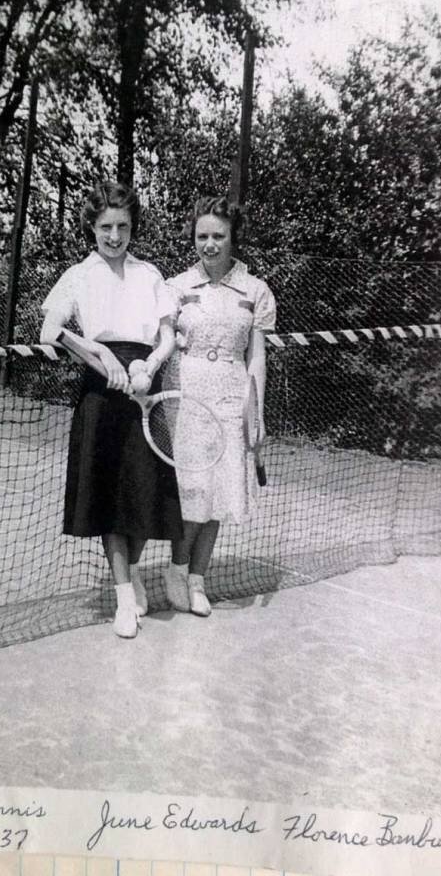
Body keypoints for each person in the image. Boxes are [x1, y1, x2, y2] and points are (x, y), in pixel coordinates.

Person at [40, 180, 182, 639]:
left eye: (122, 226)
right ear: (92, 228)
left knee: (143, 494)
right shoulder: (78, 275)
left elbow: (167, 337)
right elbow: (50, 331)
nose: (114, 236)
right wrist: (100, 356)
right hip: (101, 394)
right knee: (108, 498)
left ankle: (134, 570)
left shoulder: (150, 274)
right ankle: (124, 596)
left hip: (145, 387)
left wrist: (148, 365)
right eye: (105, 227)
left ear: (133, 226)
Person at [164, 195, 276, 617]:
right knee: (193, 489)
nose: (209, 244)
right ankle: (176, 570)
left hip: (232, 395)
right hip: (187, 393)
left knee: (219, 493)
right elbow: (161, 341)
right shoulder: (176, 288)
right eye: (202, 236)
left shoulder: (255, 290)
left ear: (233, 238)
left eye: (218, 236)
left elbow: (257, 358)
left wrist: (257, 413)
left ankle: (197, 578)